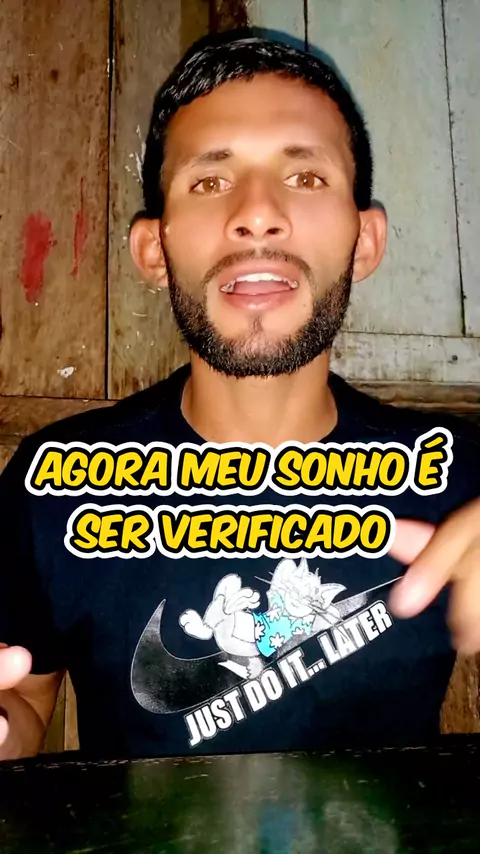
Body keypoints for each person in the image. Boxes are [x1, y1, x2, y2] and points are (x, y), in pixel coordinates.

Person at [1, 29, 480, 761]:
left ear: (365, 241)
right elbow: (24, 702)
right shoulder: (52, 482)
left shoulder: (463, 478)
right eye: (210, 181)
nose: (257, 213)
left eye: (306, 177)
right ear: (154, 250)